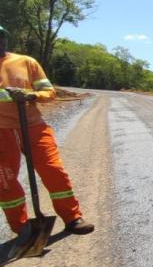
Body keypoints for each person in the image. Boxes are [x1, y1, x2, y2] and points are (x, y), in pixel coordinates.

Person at [0, 25, 94, 236]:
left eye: (1, 37)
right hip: (1, 131)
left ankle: (72, 218)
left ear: (5, 40)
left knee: (53, 170)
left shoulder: (26, 62)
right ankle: (22, 229)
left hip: (33, 125)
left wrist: (31, 95)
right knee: (5, 180)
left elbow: (49, 92)